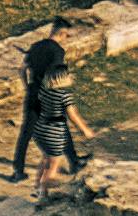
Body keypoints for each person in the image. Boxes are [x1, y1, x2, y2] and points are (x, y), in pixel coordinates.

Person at [12, 29, 90, 193]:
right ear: (62, 33)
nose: (66, 39)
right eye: (67, 36)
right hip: (48, 94)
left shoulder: (35, 46)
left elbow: (22, 69)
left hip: (33, 93)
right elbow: (55, 74)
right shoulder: (57, 51)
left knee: (26, 132)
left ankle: (18, 171)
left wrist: (28, 86)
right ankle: (73, 162)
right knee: (60, 125)